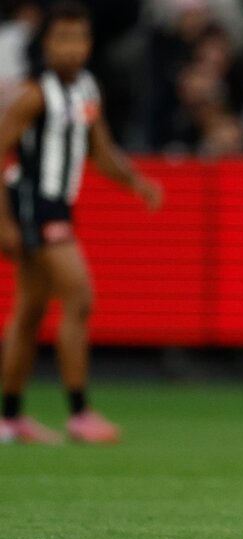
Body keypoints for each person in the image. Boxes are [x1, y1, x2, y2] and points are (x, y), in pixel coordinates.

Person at [0, 2, 162, 444]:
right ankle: (78, 411)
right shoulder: (34, 93)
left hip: (56, 207)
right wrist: (5, 223)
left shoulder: (86, 89)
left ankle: (10, 418)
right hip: (35, 204)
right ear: (45, 44)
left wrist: (135, 182)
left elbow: (100, 149)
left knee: (29, 313)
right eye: (62, 39)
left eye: (80, 39)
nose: (73, 49)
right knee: (79, 295)